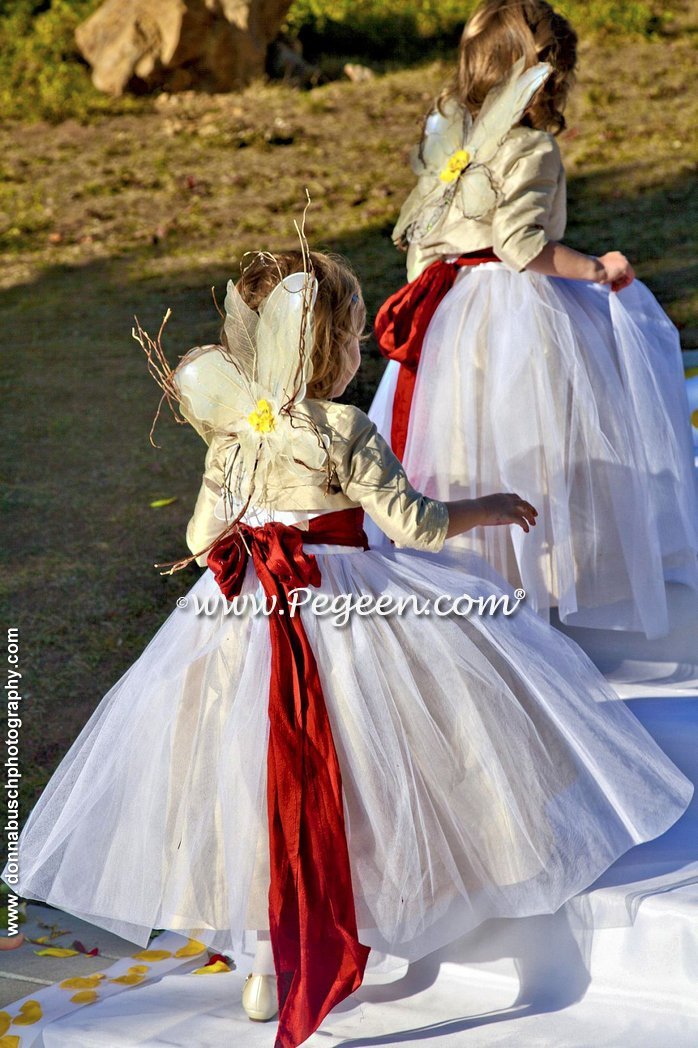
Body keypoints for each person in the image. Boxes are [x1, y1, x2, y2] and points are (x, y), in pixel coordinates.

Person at [3, 247, 691, 1048]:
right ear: (328, 350)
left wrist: (248, 533)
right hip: (350, 603)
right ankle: (389, 897)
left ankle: (263, 956)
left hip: (246, 615)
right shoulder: (342, 430)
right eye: (356, 337)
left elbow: (199, 538)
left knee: (250, 767)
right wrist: (488, 508)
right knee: (372, 751)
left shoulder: (230, 438)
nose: (360, 350)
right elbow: (415, 526)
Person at [368, 0, 698, 640]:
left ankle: (474, 572)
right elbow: (522, 245)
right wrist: (596, 270)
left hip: (452, 309)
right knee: (544, 434)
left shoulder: (454, 140)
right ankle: (543, 581)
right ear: (547, 77)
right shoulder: (531, 150)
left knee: (463, 436)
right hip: (518, 311)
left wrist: (432, 305)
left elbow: (424, 242)